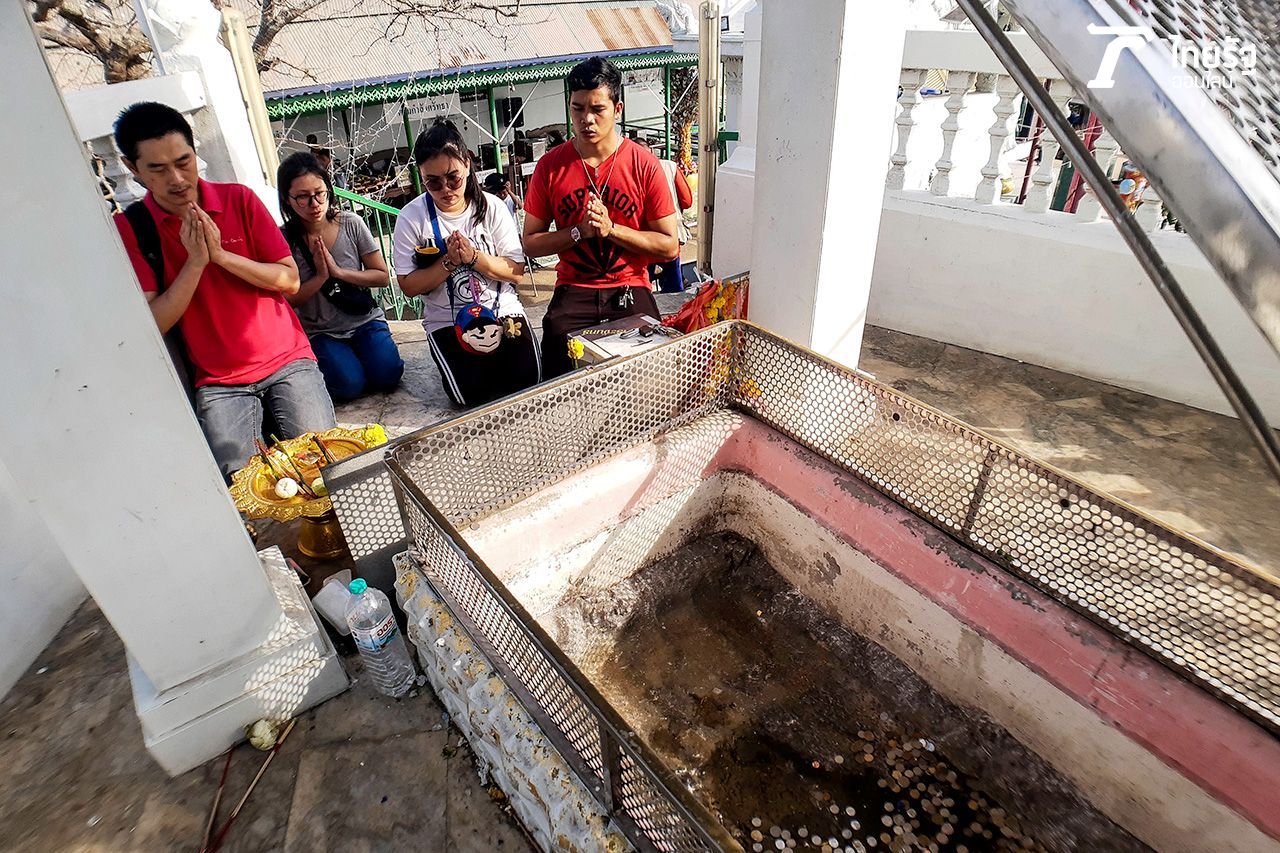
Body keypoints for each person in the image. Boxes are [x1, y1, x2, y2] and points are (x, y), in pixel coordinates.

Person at [112, 101, 335, 479]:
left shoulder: (238, 199)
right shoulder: (133, 228)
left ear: (194, 151)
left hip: (287, 359)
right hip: (219, 381)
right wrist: (195, 262)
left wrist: (221, 257)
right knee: (246, 487)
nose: (178, 178)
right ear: (133, 169)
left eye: (183, 161)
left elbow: (289, 280)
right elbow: (155, 322)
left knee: (330, 464)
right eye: (158, 169)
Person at [523, 57, 678, 378]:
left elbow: (670, 246)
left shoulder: (644, 164)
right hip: (574, 289)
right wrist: (578, 232)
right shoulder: (551, 166)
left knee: (654, 371)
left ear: (617, 108)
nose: (586, 120)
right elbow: (531, 244)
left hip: (629, 286)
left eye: (597, 109)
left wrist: (611, 229)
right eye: (577, 109)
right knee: (554, 369)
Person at [391, 120, 540, 407]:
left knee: (528, 381)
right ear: (422, 178)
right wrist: (447, 262)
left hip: (501, 309)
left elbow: (516, 271)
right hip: (447, 319)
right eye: (433, 182)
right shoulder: (411, 218)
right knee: (471, 394)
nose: (445, 189)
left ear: (468, 165)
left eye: (453, 178)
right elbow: (408, 285)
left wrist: (474, 258)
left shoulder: (492, 207)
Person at [277, 152, 404, 403]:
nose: (314, 204)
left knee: (388, 374)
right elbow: (286, 300)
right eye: (302, 197)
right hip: (321, 331)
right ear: (287, 199)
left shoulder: (351, 223)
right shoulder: (283, 239)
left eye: (320, 193)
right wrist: (321, 276)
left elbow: (381, 276)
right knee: (349, 386)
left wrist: (339, 272)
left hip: (363, 319)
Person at [640, 141, 693, 293]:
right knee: (674, 290)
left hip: (641, 242)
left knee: (642, 292)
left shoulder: (626, 169)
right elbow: (687, 201)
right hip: (669, 239)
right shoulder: (669, 167)